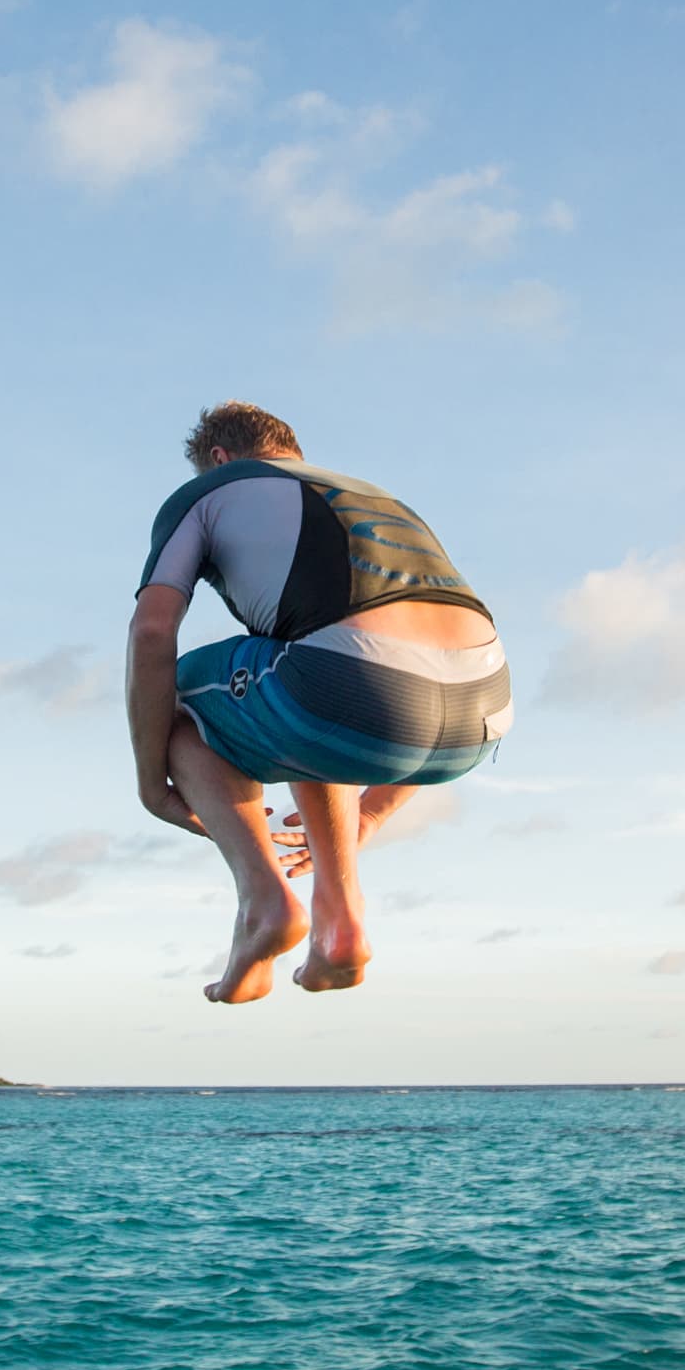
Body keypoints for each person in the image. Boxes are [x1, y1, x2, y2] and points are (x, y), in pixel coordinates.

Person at [127, 401, 512, 1003]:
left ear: (220, 459)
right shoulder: (374, 496)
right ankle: (341, 919)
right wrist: (372, 813)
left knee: (170, 695)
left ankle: (264, 903)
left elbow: (152, 632)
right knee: (292, 663)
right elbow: (425, 648)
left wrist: (153, 786)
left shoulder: (210, 491)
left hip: (359, 687)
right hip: (484, 712)